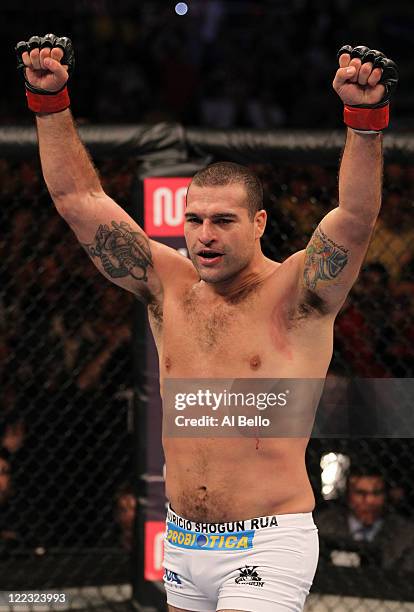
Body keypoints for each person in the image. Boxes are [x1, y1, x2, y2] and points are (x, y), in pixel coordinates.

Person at [15, 34, 398, 612]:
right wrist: (50, 101)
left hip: (267, 545)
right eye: (193, 220)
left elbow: (355, 216)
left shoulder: (298, 295)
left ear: (260, 222)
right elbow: (78, 197)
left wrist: (364, 120)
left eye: (222, 220)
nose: (204, 235)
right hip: (184, 543)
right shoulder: (165, 284)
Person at [315, 464, 414, 572]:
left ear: (386, 496)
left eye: (377, 493)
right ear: (348, 495)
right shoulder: (323, 525)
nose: (370, 501)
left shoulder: (406, 534)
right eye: (361, 493)